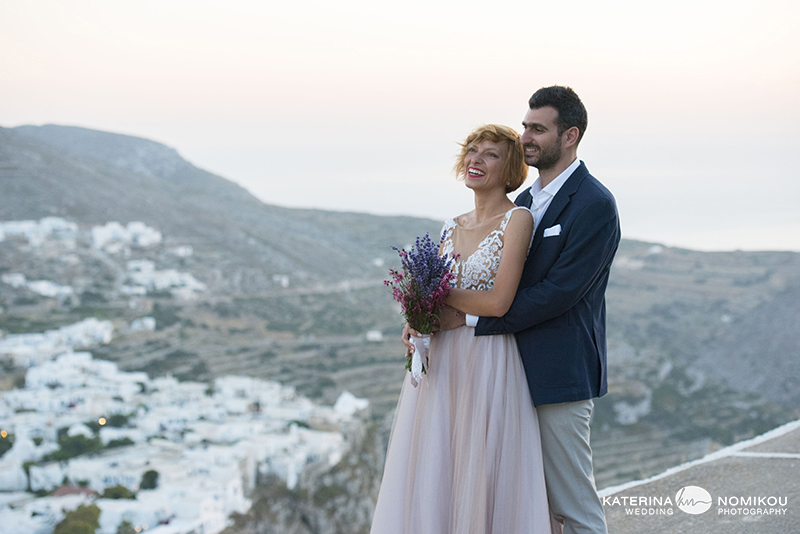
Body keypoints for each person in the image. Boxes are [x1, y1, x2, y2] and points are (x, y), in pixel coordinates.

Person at [423, 86, 620, 534]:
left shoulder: (594, 204)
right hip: (501, 375)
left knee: (572, 503)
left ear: (569, 136)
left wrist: (470, 317)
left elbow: (559, 293)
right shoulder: (525, 205)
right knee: (526, 504)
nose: (526, 136)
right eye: (526, 126)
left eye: (538, 128)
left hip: (556, 375)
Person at [371, 124, 556, 534]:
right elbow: (431, 297)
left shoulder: (518, 219)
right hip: (442, 359)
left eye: (490, 154)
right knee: (437, 462)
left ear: (509, 169)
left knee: (481, 464)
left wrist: (437, 294)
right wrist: (414, 319)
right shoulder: (449, 226)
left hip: (487, 357)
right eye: (472, 151)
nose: (476, 159)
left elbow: (498, 302)